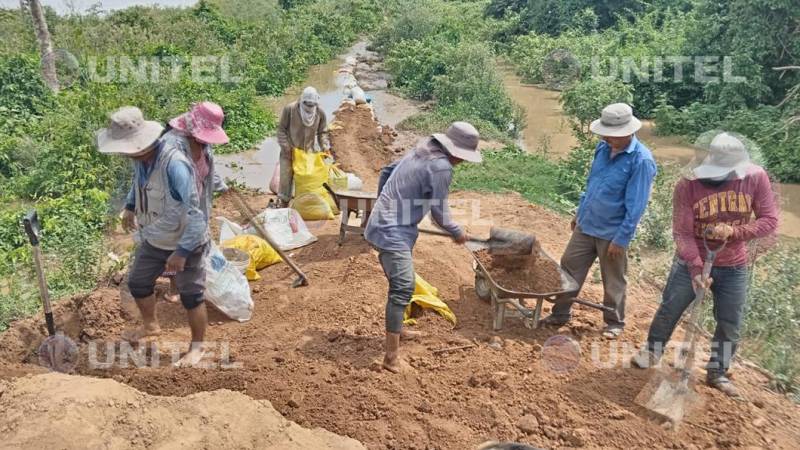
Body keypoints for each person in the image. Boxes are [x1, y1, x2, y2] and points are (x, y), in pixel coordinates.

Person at [632, 132, 778, 398]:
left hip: (734, 264)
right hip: (691, 260)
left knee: (730, 321)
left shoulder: (755, 178)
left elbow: (769, 220)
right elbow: (682, 233)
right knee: (670, 308)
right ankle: (652, 350)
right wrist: (697, 268)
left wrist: (734, 232)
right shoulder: (688, 185)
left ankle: (717, 372)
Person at [365, 122, 483, 373]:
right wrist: (457, 232)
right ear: (458, 153)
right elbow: (439, 213)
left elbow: (386, 171)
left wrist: (383, 203)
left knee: (400, 284)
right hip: (391, 231)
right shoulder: (441, 167)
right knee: (403, 287)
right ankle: (391, 358)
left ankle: (397, 330)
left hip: (385, 222)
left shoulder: (423, 148)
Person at [98, 106, 209, 368]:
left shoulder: (175, 165)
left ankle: (198, 347)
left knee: (191, 295)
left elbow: (195, 214)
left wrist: (181, 252)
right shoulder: (141, 161)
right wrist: (130, 206)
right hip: (154, 238)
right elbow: (137, 185)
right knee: (138, 282)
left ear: (140, 144)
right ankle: (151, 325)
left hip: (186, 241)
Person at [541, 103, 657, 339]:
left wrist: (621, 238)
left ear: (627, 131)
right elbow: (592, 184)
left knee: (613, 278)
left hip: (612, 232)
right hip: (587, 223)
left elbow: (636, 206)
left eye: (611, 134)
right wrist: (579, 212)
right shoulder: (602, 149)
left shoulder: (641, 161)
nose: (606, 137)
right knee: (569, 265)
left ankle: (614, 322)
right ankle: (560, 313)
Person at [158, 102, 230, 303]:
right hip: (174, 206)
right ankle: (174, 287)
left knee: (197, 243)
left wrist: (222, 187)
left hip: (198, 202)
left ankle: (197, 280)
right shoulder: (169, 145)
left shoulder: (203, 142)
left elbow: (208, 169)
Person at [276, 86, 331, 206]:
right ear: (302, 101)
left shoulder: (320, 112)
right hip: (290, 151)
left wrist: (325, 147)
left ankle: (305, 203)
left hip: (308, 152)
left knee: (308, 180)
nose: (309, 108)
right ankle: (283, 202)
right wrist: (286, 148)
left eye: (312, 105)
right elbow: (281, 130)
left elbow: (323, 132)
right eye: (307, 105)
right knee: (286, 177)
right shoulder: (290, 109)